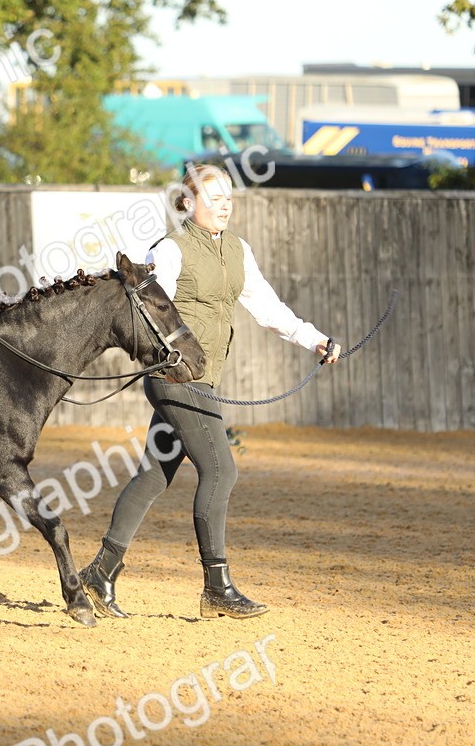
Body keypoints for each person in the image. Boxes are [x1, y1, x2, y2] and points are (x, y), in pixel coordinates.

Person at [80, 164, 340, 620]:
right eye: (214, 197)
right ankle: (216, 587)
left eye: (229, 197)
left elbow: (266, 305)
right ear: (188, 203)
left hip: (204, 379)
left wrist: (313, 338)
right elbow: (146, 307)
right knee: (221, 471)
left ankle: (99, 574)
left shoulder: (238, 249)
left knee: (154, 477)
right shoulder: (171, 250)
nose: (225, 205)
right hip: (177, 379)